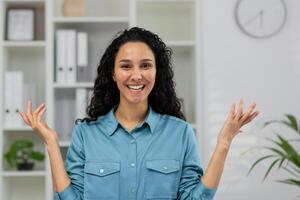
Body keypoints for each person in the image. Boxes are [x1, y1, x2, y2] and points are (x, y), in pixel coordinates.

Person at [19, 27, 259, 200]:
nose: (137, 75)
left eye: (146, 65)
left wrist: (224, 144)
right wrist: (51, 143)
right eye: (126, 66)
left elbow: (195, 199)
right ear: (113, 74)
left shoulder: (180, 133)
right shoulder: (85, 134)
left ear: (157, 72)